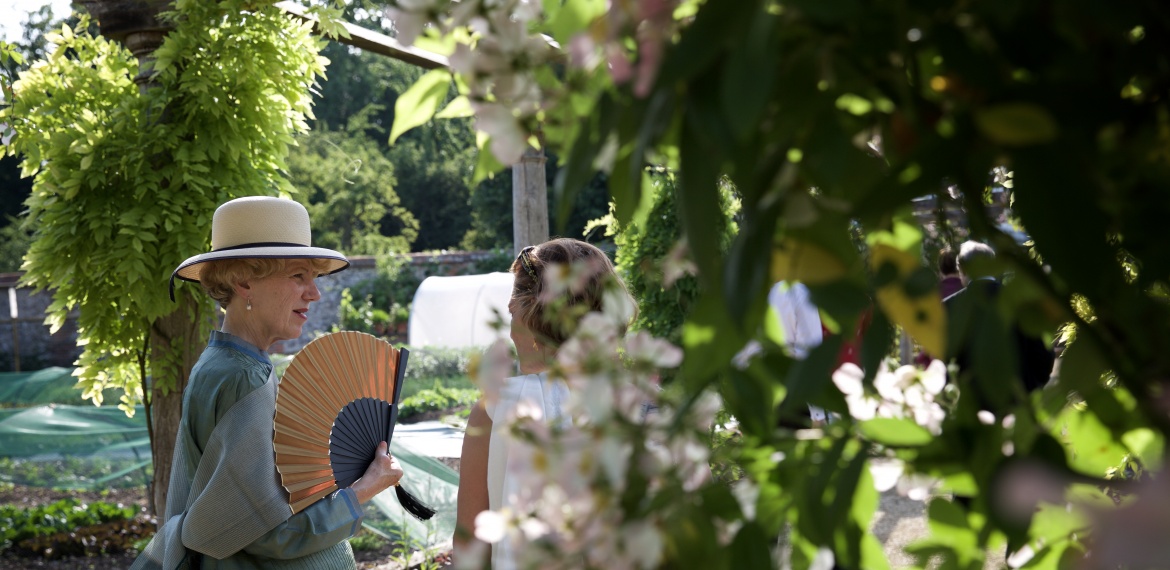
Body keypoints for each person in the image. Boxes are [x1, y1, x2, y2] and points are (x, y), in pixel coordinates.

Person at [133, 197, 404, 570]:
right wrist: (362, 491)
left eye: (314, 277)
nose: (314, 292)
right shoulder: (243, 376)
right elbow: (265, 533)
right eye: (298, 276)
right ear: (243, 281)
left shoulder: (225, 363)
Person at [454, 238, 635, 570]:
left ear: (534, 310)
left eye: (513, 303)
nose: (509, 318)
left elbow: (470, 542)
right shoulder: (640, 402)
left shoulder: (496, 406)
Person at [943, 241, 1054, 411]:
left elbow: (943, 361)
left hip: (971, 406)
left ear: (962, 270)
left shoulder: (947, 308)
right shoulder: (1022, 303)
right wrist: (1032, 387)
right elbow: (1043, 353)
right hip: (1019, 402)